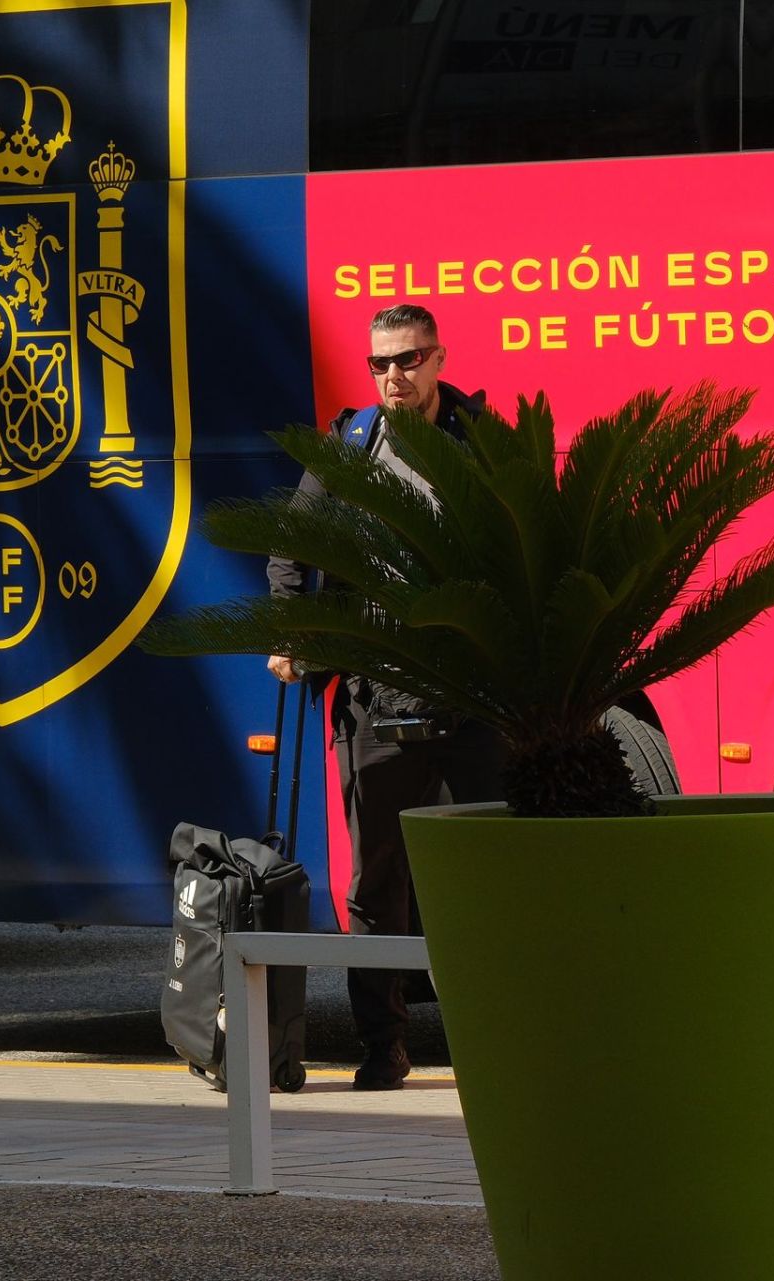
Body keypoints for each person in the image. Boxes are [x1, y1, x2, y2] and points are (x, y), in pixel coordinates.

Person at [267, 304, 506, 1090]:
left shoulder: (484, 446)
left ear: (439, 359)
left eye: (407, 359)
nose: (393, 376)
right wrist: (295, 633)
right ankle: (383, 1045)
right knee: (376, 881)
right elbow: (290, 550)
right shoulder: (350, 446)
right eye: (379, 364)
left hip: (471, 699)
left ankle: (497, 1038)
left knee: (489, 875)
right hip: (374, 695)